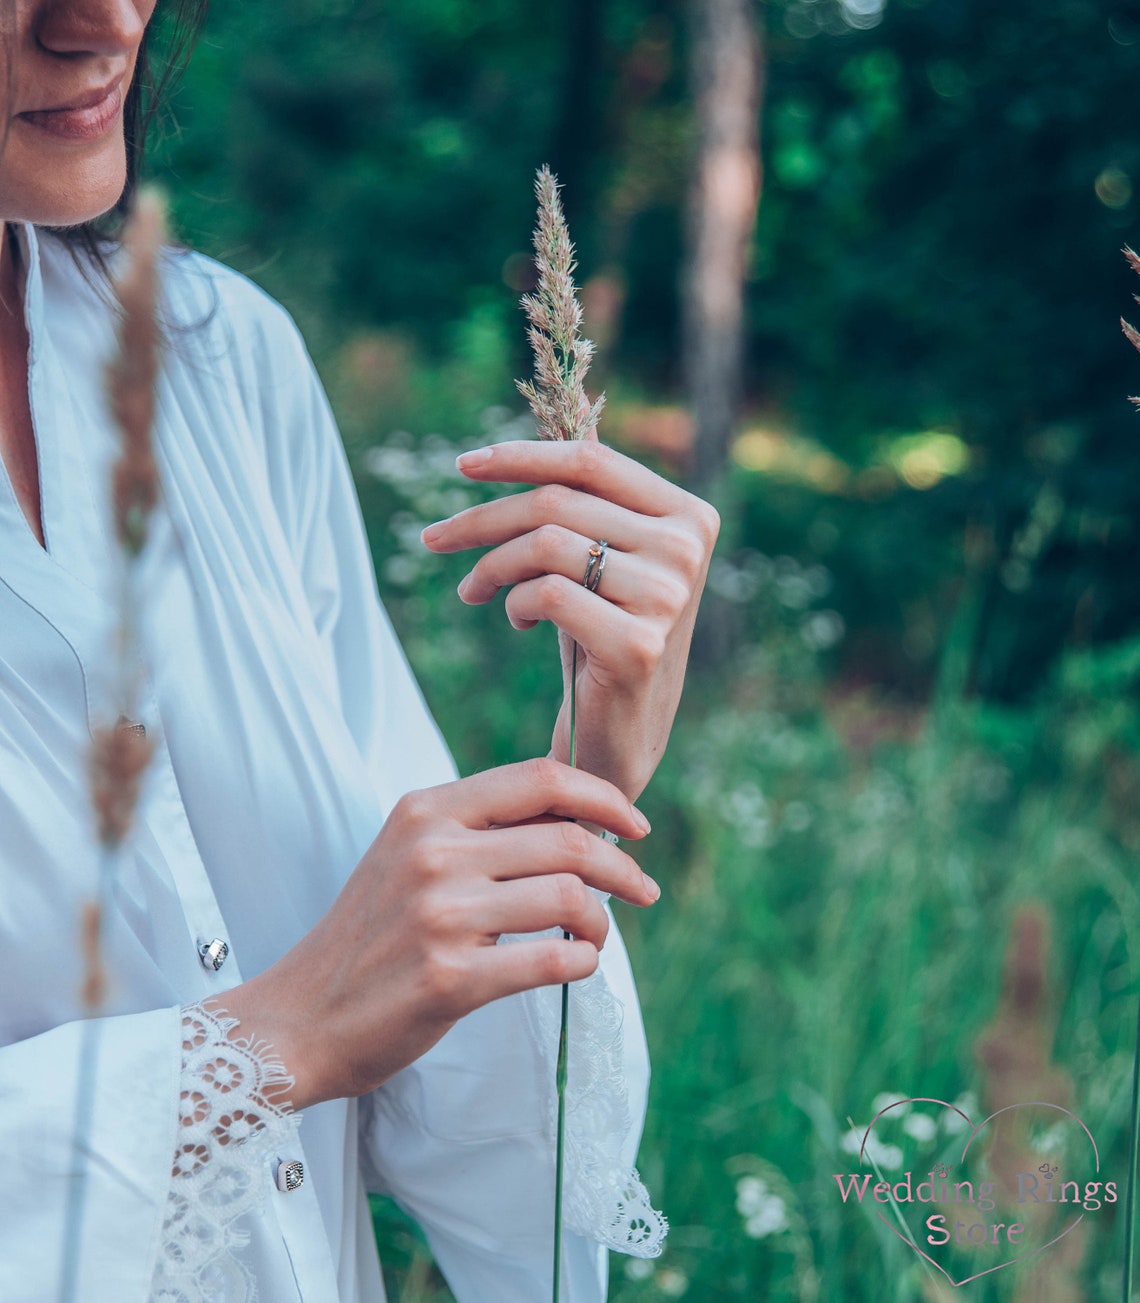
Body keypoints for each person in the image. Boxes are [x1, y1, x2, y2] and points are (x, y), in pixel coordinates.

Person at [0, 2, 718, 1300]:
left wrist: (578, 780)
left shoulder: (216, 363)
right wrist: (267, 1040)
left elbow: (449, 1129)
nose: (101, 19)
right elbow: (326, 1023)